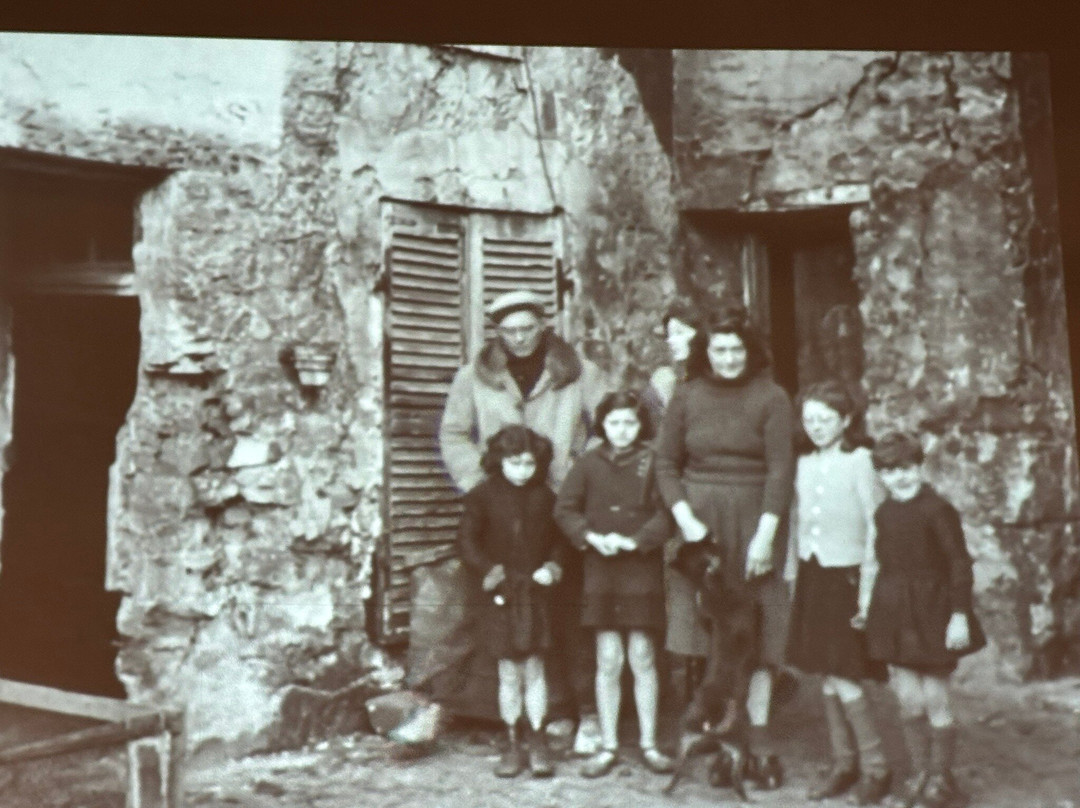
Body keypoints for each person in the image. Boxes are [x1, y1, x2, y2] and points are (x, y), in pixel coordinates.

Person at [391, 289, 606, 745]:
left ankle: (574, 710)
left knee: (564, 606)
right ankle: (502, 717)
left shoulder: (577, 371)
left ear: (544, 325)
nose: (520, 338)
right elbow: (453, 432)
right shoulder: (475, 376)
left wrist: (579, 476)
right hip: (504, 510)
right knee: (503, 607)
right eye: (510, 331)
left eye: (529, 328)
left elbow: (606, 425)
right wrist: (480, 485)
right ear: (497, 332)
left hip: (559, 505)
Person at [654, 303, 795, 785]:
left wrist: (767, 534)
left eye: (737, 349)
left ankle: (755, 740)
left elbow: (781, 468)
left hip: (756, 524)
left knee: (754, 636)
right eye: (719, 350)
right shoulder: (687, 395)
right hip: (698, 529)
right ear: (704, 351)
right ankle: (712, 735)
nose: (729, 359)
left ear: (750, 351)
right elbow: (666, 465)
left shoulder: (772, 396)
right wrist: (685, 519)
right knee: (701, 633)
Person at [555, 391, 675, 778]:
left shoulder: (654, 462)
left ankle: (650, 744)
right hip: (601, 571)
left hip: (639, 569)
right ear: (602, 425)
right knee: (608, 658)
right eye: (614, 423)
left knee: (642, 655)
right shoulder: (588, 464)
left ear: (641, 426)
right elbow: (565, 509)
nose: (622, 431)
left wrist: (638, 541)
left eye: (630, 423)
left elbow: (668, 511)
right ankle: (608, 745)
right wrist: (590, 538)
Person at [863, 432, 985, 808]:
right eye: (890, 471)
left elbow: (958, 564)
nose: (900, 477)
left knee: (934, 697)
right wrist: (870, 606)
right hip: (896, 613)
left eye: (906, 468)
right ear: (881, 475)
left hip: (934, 612)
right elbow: (882, 562)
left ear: (919, 467)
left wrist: (959, 615)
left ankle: (940, 779)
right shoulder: (884, 512)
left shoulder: (937, 510)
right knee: (908, 700)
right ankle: (919, 773)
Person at [783, 380, 891, 804]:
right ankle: (844, 764)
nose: (816, 428)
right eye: (809, 420)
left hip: (847, 578)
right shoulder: (804, 462)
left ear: (846, 420)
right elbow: (795, 522)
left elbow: (876, 528)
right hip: (814, 575)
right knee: (827, 675)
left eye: (826, 420)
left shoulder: (862, 461)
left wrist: (867, 592)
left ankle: (876, 767)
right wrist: (794, 575)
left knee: (842, 673)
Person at [456, 425, 564, 778]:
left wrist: (552, 567)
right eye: (514, 463)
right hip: (501, 592)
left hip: (534, 593)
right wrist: (492, 572)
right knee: (507, 671)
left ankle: (538, 739)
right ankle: (512, 741)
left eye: (529, 464)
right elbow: (467, 543)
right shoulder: (481, 497)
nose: (522, 471)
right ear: (499, 460)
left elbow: (559, 542)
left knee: (534, 668)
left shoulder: (546, 498)